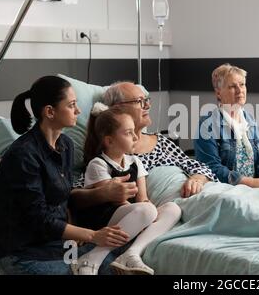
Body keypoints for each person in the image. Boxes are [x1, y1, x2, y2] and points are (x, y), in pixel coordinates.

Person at [0, 76, 130, 275]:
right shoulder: (23, 156)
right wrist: (93, 235)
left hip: (58, 246)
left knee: (115, 263)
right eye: (72, 105)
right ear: (50, 111)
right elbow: (39, 218)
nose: (78, 110)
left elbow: (63, 198)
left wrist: (101, 193)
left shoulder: (65, 145)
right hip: (25, 253)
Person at [72, 103, 181, 275]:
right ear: (109, 140)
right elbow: (115, 200)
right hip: (104, 219)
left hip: (133, 214)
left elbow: (143, 198)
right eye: (128, 133)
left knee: (173, 209)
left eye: (134, 131)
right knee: (146, 211)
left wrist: (146, 215)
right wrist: (145, 215)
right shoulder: (98, 164)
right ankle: (93, 257)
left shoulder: (135, 162)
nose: (136, 138)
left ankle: (132, 253)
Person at [194, 63, 259, 193]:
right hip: (229, 192)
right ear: (218, 93)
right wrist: (252, 183)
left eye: (242, 84)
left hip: (258, 190)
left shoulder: (249, 120)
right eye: (232, 86)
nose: (239, 90)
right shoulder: (207, 125)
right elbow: (211, 168)